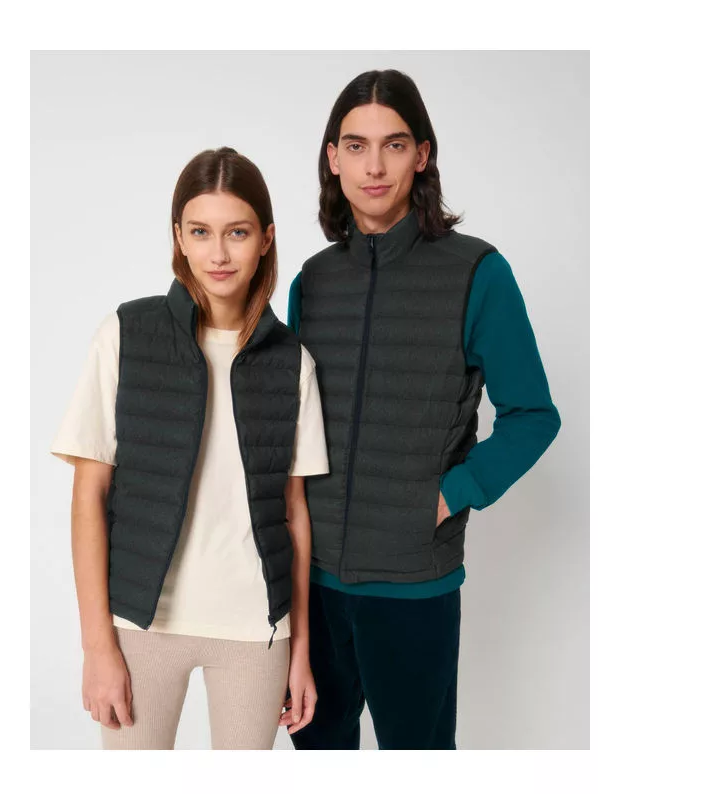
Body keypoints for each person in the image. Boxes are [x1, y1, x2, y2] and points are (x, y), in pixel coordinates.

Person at [285, 70, 561, 750]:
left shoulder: (477, 273)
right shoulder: (312, 282)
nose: (374, 166)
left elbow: (533, 413)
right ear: (333, 158)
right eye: (356, 146)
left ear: (422, 154)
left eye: (395, 144)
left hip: (413, 586)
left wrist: (449, 495)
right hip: (311, 585)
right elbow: (292, 425)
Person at [51, 147, 327, 750]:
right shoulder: (127, 334)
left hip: (257, 631)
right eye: (201, 232)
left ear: (266, 239)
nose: (218, 254)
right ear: (179, 236)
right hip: (142, 625)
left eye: (237, 232)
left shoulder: (292, 361)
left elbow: (294, 513)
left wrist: (301, 649)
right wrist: (97, 646)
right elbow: (88, 497)